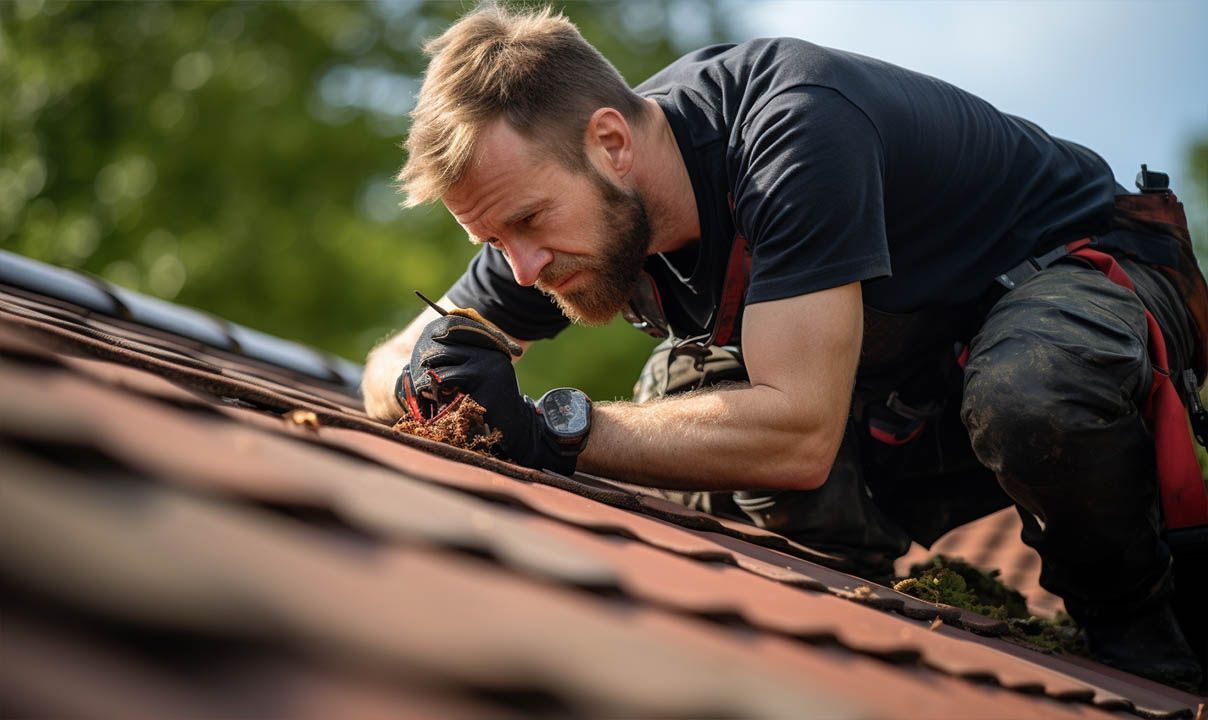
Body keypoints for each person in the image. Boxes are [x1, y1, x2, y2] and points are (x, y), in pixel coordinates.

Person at [361, 5, 1207, 687]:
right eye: (493, 241)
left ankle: (1147, 640)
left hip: (1080, 289)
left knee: (1032, 389)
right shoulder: (549, 191)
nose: (523, 266)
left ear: (612, 143)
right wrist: (428, 382)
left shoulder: (793, 131)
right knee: (684, 416)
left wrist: (555, 429)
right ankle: (862, 579)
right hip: (911, 371)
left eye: (529, 225)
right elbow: (386, 361)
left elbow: (797, 433)